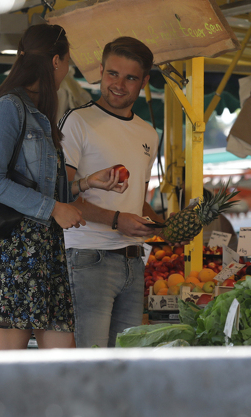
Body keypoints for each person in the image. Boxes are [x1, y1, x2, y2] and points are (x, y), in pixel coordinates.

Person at [0, 24, 124, 350]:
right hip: (14, 252)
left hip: (48, 250)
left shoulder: (39, 112)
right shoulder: (8, 108)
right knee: (7, 369)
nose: (67, 70)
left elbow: (40, 187)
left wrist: (84, 183)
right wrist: (54, 208)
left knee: (64, 365)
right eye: (67, 62)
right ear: (56, 61)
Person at [60, 36, 165, 348]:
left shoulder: (149, 133)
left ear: (144, 82)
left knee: (125, 362)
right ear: (101, 72)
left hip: (134, 260)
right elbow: (61, 194)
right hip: (87, 257)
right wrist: (117, 220)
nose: (119, 85)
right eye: (112, 74)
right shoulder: (78, 121)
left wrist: (164, 226)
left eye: (131, 77)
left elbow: (137, 201)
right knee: (90, 362)